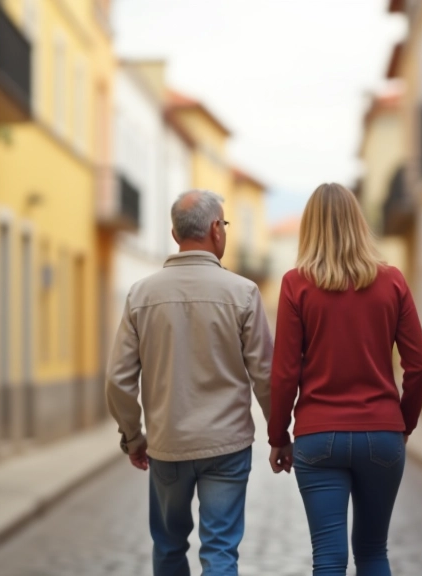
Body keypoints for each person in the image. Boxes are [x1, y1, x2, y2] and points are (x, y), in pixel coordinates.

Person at [106, 189, 273, 576]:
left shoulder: (141, 295)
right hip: (228, 444)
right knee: (220, 551)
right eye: (226, 225)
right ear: (216, 229)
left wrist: (133, 436)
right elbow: (265, 372)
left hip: (168, 444)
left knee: (168, 546)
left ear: (174, 233)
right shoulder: (243, 293)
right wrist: (279, 433)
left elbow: (118, 380)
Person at [268, 182, 422, 576]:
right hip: (382, 434)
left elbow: (285, 373)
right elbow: (419, 365)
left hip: (318, 436)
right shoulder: (392, 281)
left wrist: (278, 437)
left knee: (328, 556)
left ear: (310, 228)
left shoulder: (295, 284)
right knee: (374, 551)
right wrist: (402, 424)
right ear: (359, 224)